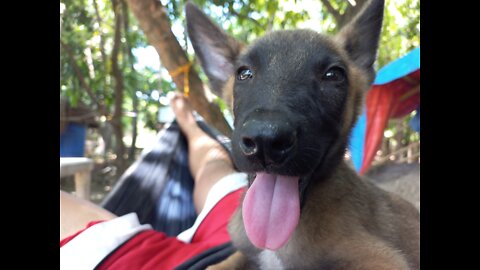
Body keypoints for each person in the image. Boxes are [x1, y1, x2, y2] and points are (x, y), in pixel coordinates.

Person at [60, 94, 248, 269]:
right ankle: (188, 123)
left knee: (214, 168)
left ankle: (188, 122)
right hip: (245, 241)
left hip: (173, 259)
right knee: (215, 168)